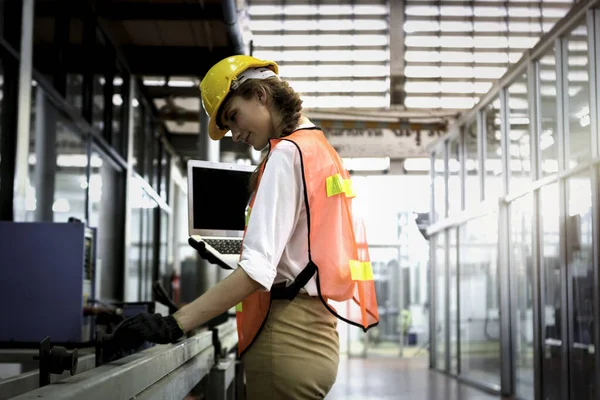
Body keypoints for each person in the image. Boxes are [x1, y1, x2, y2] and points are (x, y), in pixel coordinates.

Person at [109, 55, 380, 399]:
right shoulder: (318, 148)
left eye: (233, 117)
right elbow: (299, 253)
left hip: (285, 339)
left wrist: (175, 323)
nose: (234, 134)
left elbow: (257, 273)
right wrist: (237, 256)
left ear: (260, 95)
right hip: (317, 338)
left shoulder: (286, 154)